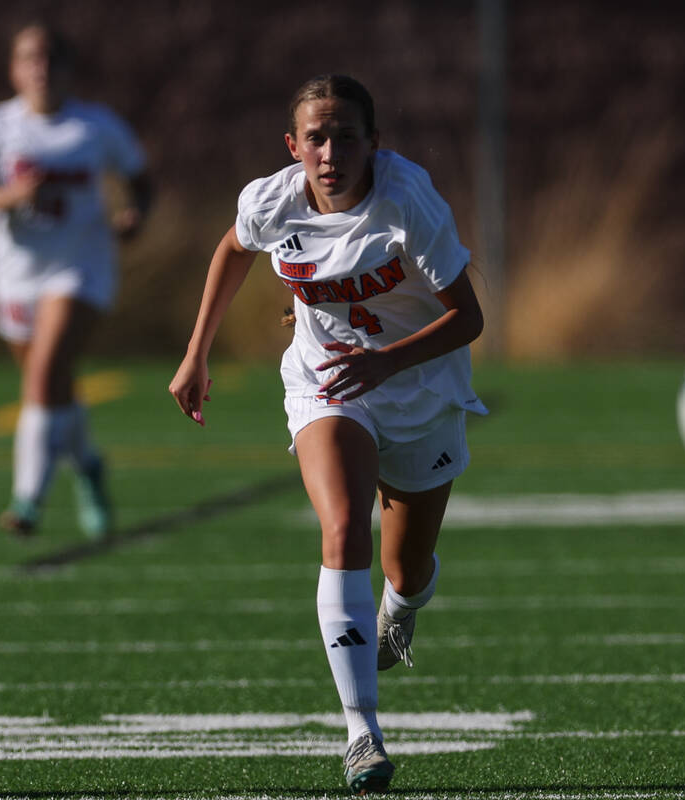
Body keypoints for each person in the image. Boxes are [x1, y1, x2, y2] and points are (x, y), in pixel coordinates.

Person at [168, 74, 486, 795]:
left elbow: (469, 319)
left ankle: (399, 609)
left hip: (422, 391)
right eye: (316, 137)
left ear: (375, 143)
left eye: (345, 136)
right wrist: (197, 352)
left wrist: (389, 361)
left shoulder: (408, 202)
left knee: (405, 569)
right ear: (293, 145)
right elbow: (232, 248)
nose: (330, 151)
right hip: (327, 384)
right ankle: (362, 734)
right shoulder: (273, 199)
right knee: (344, 528)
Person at [0, 22, 152, 539]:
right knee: (53, 386)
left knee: (44, 376)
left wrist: (134, 215)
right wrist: (8, 197)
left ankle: (27, 501)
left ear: (67, 69)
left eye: (50, 58)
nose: (40, 68)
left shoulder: (95, 125)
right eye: (29, 58)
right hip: (16, 274)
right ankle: (88, 467)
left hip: (81, 267)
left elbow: (140, 180)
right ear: (14, 69)